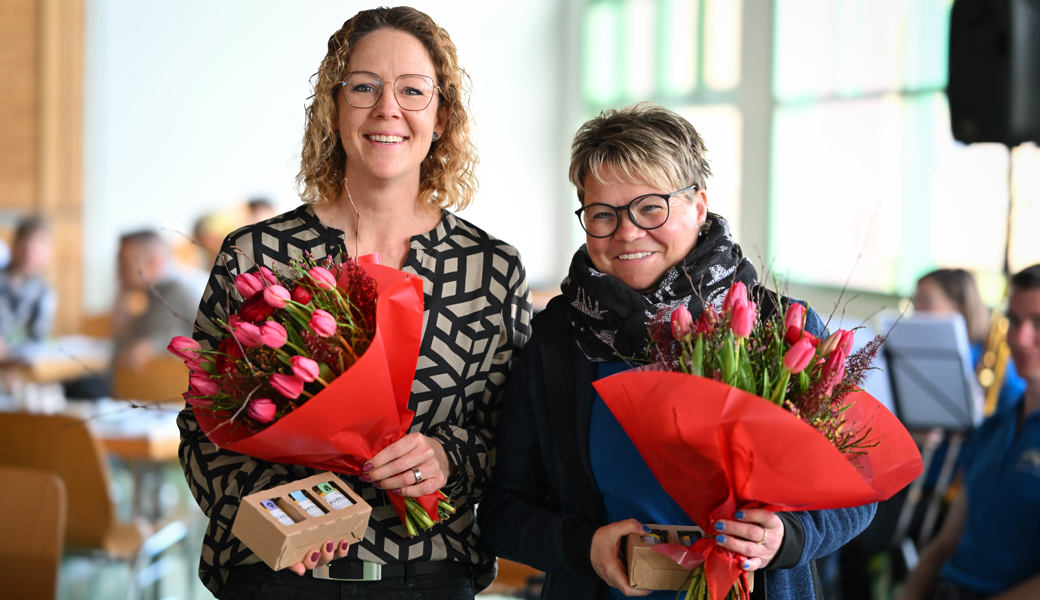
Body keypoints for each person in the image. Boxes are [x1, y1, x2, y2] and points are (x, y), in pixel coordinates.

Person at [176, 6, 532, 599]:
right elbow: (202, 426)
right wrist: (279, 515)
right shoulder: (258, 256)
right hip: (273, 577)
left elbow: (515, 440)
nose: (387, 108)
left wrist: (447, 457)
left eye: (412, 90)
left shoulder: (491, 268)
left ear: (441, 116)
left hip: (428, 576)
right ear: (334, 107)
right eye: (364, 87)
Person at [478, 102, 876, 600]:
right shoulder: (557, 340)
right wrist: (583, 547)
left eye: (650, 207)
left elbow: (858, 488)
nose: (627, 232)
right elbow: (502, 509)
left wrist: (787, 537)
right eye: (603, 214)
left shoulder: (781, 328)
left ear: (699, 206)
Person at [896, 263, 1040, 600]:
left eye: (1038, 323)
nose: (1020, 338)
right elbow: (946, 543)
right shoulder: (993, 428)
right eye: (1014, 321)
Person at [914, 268, 1026, 414]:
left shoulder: (991, 357)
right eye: (916, 301)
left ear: (960, 307)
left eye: (926, 301)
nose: (917, 310)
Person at [112, 229, 202, 372]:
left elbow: (212, 340)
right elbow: (126, 349)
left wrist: (155, 346)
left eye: (125, 265)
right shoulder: (149, 294)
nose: (119, 274)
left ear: (153, 262)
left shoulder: (186, 290)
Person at [0, 215, 56, 360]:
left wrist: (9, 347)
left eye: (36, 249)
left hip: (19, 362)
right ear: (15, 245)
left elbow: (38, 335)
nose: (29, 254)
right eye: (25, 246)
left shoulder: (43, 290)